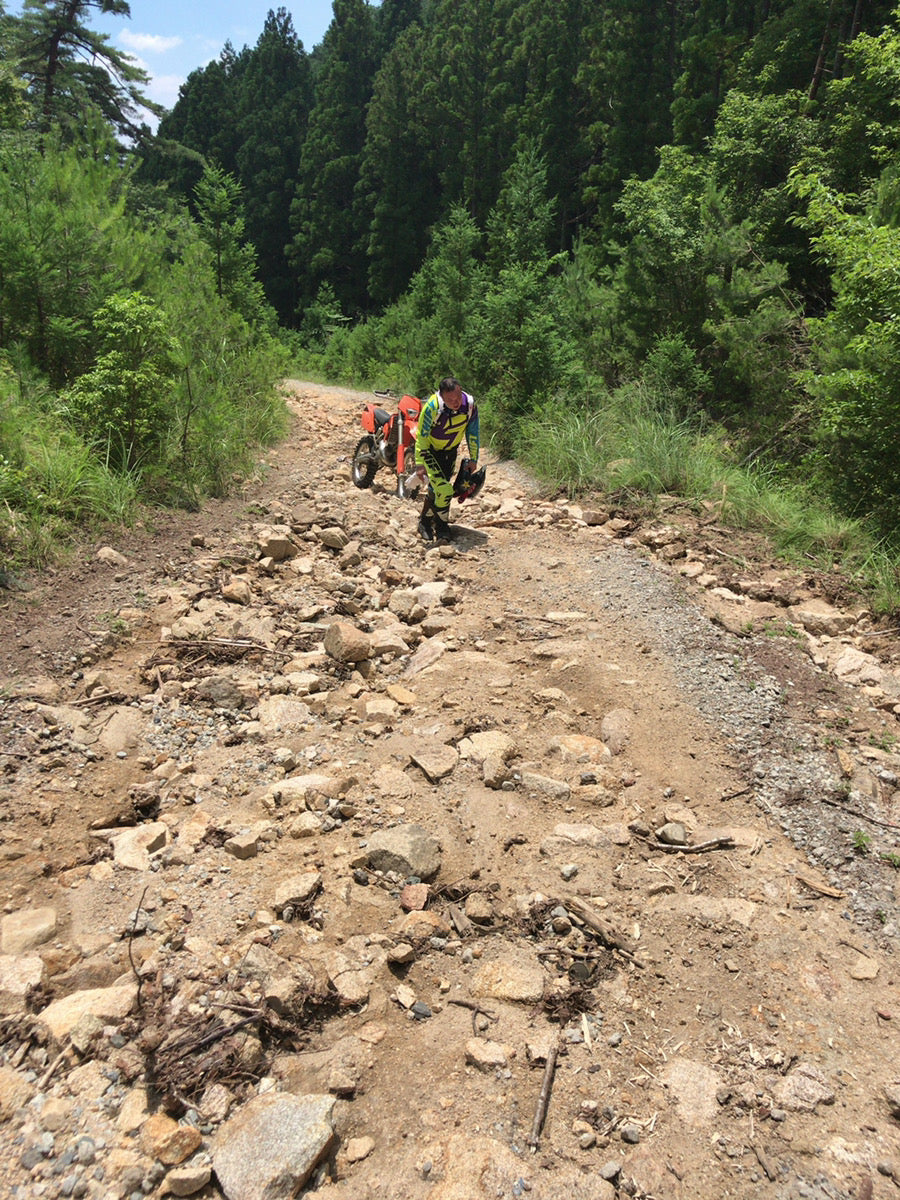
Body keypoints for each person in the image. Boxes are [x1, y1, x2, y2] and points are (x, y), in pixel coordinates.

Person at [414, 376, 480, 542]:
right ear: (441, 396)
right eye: (450, 400)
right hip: (430, 452)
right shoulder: (432, 407)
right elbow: (421, 435)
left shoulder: (470, 405)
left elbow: (473, 432)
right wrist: (420, 463)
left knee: (435, 489)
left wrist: (474, 458)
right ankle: (442, 526)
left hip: (450, 452)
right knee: (444, 489)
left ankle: (425, 522)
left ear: (461, 390)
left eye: (458, 397)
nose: (456, 402)